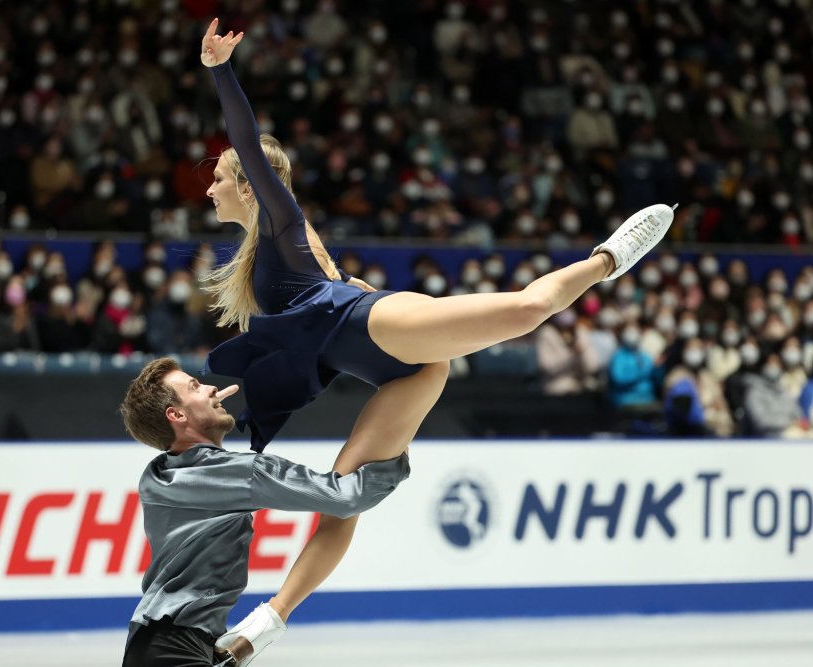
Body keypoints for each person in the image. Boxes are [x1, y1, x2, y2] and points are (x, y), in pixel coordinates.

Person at [197, 19, 676, 661]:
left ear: (248, 185)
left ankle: (608, 258)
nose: (209, 187)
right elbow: (306, 317)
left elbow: (245, 140)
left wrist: (218, 71)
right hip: (401, 369)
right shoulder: (269, 246)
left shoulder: (283, 218)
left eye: (220, 178)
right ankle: (267, 624)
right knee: (343, 500)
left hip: (381, 325)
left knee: (527, 310)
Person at [118, 357, 409, 667]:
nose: (210, 387)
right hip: (174, 649)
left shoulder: (155, 476)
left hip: (154, 643)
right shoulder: (238, 473)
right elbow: (344, 497)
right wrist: (396, 448)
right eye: (195, 387)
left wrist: (205, 408)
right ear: (176, 414)